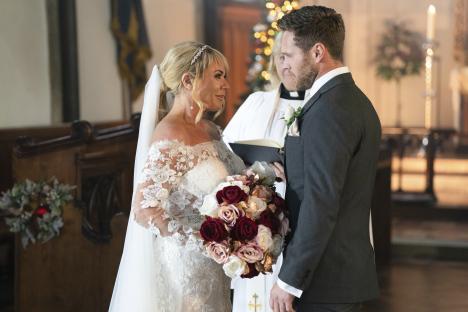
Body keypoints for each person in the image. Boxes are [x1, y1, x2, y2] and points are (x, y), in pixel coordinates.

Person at [109, 41, 245, 312]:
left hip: (216, 266)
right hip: (185, 269)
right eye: (218, 76)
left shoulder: (211, 131)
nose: (226, 85)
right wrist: (203, 241)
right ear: (188, 80)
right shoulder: (170, 134)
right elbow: (144, 209)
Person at [269, 6, 381, 312]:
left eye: (288, 55)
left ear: (318, 52)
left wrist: (289, 280)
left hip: (324, 281)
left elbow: (322, 202)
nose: (283, 65)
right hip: (338, 275)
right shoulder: (350, 100)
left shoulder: (329, 109)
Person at [223, 31, 305, 312]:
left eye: (290, 57)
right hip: (258, 229)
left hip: (301, 230)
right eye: (279, 57)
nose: (284, 64)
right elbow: (225, 157)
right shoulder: (255, 103)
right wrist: (257, 170)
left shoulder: (321, 107)